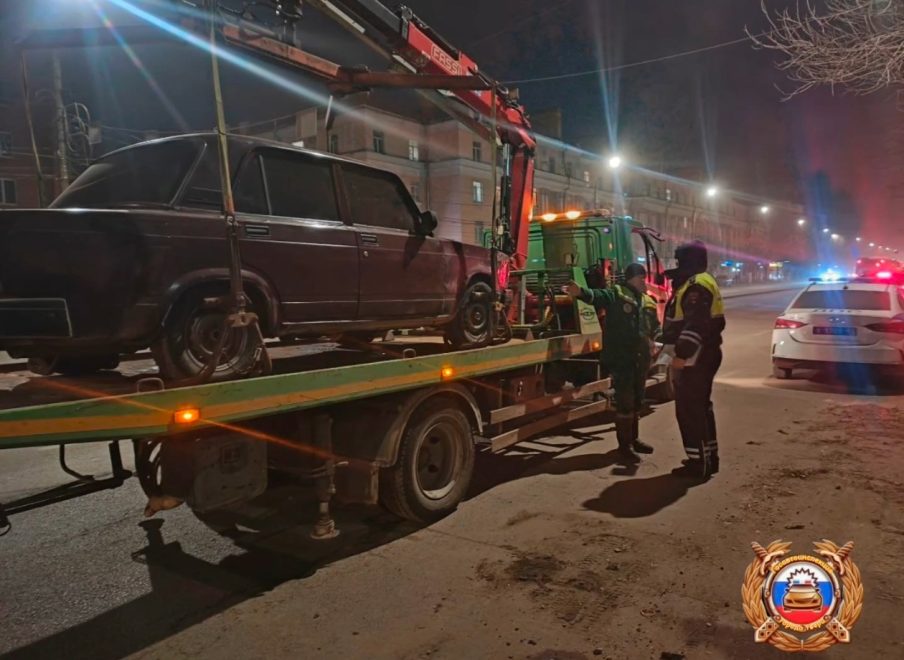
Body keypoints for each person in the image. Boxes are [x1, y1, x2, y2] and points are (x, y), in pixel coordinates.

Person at [564, 263, 660, 464]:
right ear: (634, 278)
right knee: (625, 403)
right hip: (623, 359)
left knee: (637, 402)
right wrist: (581, 291)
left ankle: (634, 439)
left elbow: (654, 327)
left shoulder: (646, 300)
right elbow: (597, 296)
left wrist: (655, 342)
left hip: (640, 360)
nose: (645, 282)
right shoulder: (617, 294)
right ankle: (625, 447)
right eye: (642, 278)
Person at [661, 240, 726, 479]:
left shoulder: (696, 285)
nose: (677, 266)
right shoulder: (703, 280)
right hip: (706, 354)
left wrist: (681, 354)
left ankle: (697, 464)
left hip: (696, 357)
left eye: (679, 261)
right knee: (701, 408)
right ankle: (709, 459)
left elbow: (696, 324)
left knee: (689, 411)